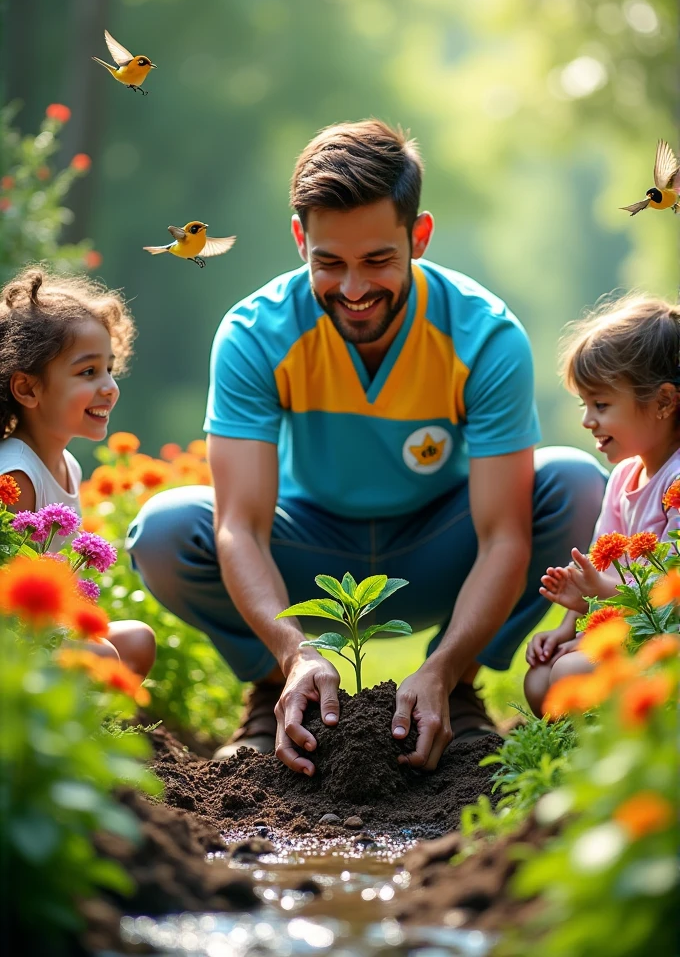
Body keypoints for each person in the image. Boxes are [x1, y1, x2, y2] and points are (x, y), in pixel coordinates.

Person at [128, 119, 605, 772]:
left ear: (420, 236)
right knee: (165, 531)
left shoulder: (485, 335)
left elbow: (503, 538)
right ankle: (275, 685)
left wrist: (441, 665)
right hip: (310, 553)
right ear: (301, 240)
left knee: (575, 487)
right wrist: (294, 648)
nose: (353, 290)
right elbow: (239, 524)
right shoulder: (254, 334)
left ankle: (456, 685)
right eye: (330, 263)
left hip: (443, 546)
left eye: (378, 260)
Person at [524, 294, 680, 716]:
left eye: (602, 404)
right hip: (623, 620)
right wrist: (567, 625)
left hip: (663, 636)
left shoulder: (676, 483)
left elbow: (667, 598)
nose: (587, 420)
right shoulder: (623, 478)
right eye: (584, 404)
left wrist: (598, 600)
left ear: (664, 402)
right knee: (540, 677)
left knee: (569, 675)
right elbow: (598, 568)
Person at [0, 266, 156, 677]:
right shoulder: (16, 475)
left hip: (45, 632)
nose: (109, 386)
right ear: (28, 389)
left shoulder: (66, 463)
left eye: (109, 367)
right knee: (103, 656)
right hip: (14, 642)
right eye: (88, 372)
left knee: (138, 639)